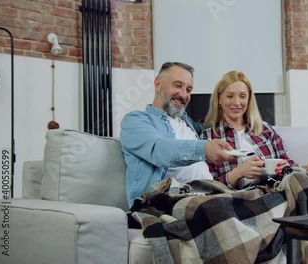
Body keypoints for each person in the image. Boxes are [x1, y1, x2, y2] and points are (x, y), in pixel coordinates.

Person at [120, 62, 235, 208]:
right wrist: (204, 149)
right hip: (164, 203)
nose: (183, 94)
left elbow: (221, 129)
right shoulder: (136, 121)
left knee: (262, 199)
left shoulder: (190, 125)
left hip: (209, 195)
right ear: (158, 84)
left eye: (188, 89)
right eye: (177, 85)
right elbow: (158, 150)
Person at [201, 71, 297, 189]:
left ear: (249, 99)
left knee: (301, 180)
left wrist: (286, 167)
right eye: (230, 96)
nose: (237, 103)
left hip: (275, 189)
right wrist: (238, 173)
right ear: (219, 99)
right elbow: (207, 186)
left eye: (242, 96)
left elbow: (291, 165)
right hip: (237, 198)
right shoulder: (208, 137)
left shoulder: (265, 130)